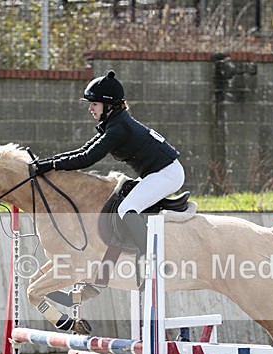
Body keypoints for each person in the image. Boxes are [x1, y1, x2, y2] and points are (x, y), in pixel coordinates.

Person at [33, 70, 184, 256]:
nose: (91, 109)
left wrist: (51, 166)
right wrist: (48, 162)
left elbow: (87, 158)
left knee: (126, 209)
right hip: (159, 173)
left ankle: (154, 257)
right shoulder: (114, 123)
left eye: (94, 104)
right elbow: (83, 150)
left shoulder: (118, 128)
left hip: (167, 175)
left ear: (109, 106)